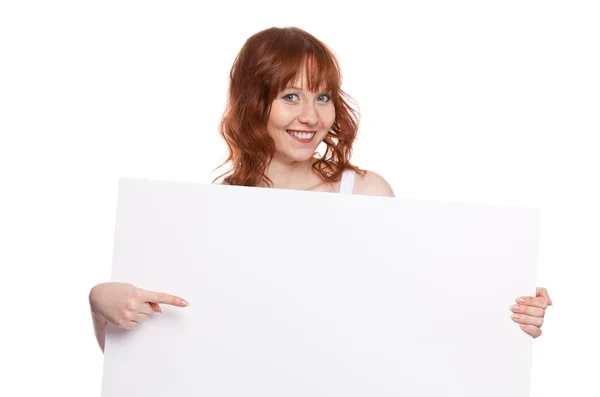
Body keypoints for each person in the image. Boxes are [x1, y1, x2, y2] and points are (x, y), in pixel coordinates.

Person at [88, 26, 553, 353]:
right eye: (291, 96)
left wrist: (507, 311)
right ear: (255, 104)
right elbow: (160, 359)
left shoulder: (366, 193)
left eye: (323, 96)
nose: (311, 115)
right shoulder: (213, 210)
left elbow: (414, 313)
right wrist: (100, 304)